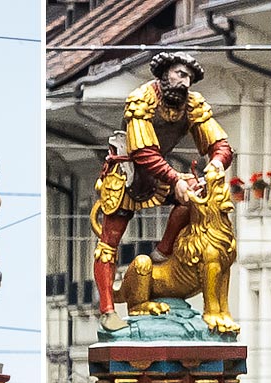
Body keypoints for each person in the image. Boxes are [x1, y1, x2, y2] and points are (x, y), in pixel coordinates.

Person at [93, 51, 233, 331]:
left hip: (160, 175)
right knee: (109, 243)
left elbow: (222, 146)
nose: (184, 83)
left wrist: (216, 164)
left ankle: (164, 250)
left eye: (189, 79)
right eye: (180, 74)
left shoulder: (192, 104)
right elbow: (143, 152)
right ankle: (108, 309)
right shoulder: (140, 98)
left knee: (195, 195)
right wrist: (176, 179)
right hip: (127, 173)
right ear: (164, 73)